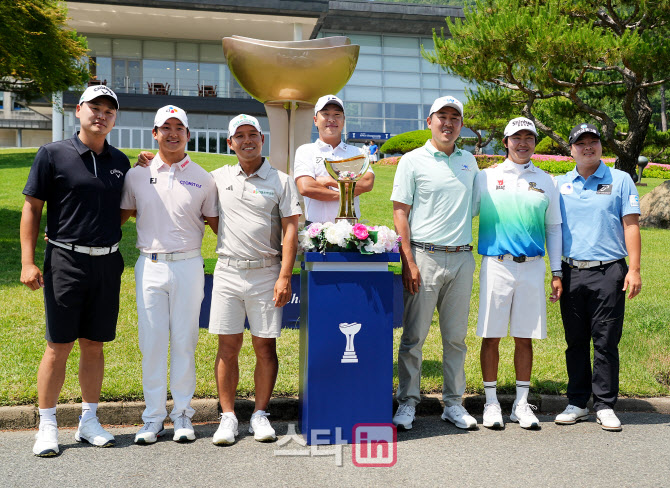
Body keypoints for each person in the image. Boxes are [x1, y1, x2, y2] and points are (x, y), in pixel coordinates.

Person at [20, 86, 129, 456]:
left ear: (115, 118)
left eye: (109, 111)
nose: (101, 115)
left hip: (108, 262)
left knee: (94, 345)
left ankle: (89, 421)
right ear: (79, 110)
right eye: (94, 108)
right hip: (65, 261)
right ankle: (47, 424)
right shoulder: (53, 154)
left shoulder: (120, 161)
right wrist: (28, 261)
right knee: (59, 345)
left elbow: (121, 209)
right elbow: (32, 208)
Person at [120, 105, 218, 444]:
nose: (172, 133)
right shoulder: (137, 174)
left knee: (184, 342)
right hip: (149, 264)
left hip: (189, 265)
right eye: (166, 127)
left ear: (188, 134)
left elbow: (218, 225)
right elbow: (118, 217)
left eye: (179, 128)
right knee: (152, 343)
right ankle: (152, 417)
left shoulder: (204, 178)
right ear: (155, 133)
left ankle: (182, 414)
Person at [209, 114, 301, 445]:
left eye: (253, 134)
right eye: (240, 135)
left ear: (262, 139)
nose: (247, 140)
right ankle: (228, 416)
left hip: (266, 272)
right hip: (228, 271)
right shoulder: (217, 178)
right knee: (228, 345)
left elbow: (291, 229)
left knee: (265, 345)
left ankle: (260, 414)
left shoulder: (281, 180)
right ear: (230, 142)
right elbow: (207, 214)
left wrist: (284, 275)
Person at [390, 96, 479, 431]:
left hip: (461, 258)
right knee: (414, 337)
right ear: (429, 121)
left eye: (455, 117)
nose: (448, 123)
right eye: (442, 116)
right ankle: (408, 402)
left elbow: (475, 207)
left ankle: (453, 404)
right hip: (423, 257)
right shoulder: (412, 160)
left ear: (461, 125)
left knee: (455, 338)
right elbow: (400, 212)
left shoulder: (469, 161)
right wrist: (409, 261)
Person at [472, 117, 563, 430]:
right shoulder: (486, 177)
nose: (523, 143)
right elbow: (466, 212)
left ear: (535, 142)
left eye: (529, 138)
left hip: (533, 266)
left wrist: (556, 271)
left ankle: (521, 404)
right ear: (506, 142)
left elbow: (553, 227)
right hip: (497, 264)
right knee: (491, 335)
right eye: (516, 138)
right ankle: (491, 402)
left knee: (525, 337)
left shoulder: (547, 181)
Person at [554, 123, 642, 432]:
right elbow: (551, 228)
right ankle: (578, 402)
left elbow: (631, 224)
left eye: (593, 141)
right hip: (571, 271)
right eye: (581, 143)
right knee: (575, 340)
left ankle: (604, 405)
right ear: (571, 149)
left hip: (609, 271)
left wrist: (634, 269)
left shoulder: (620, 180)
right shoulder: (560, 184)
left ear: (601, 146)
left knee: (605, 341)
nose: (588, 147)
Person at [294, 95, 375, 224]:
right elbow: (306, 187)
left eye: (337, 115)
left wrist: (328, 181)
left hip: (351, 229)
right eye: (325, 114)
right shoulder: (306, 151)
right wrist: (347, 195)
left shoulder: (357, 152)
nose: (331, 119)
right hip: (315, 230)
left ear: (343, 120)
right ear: (315, 120)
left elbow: (367, 183)